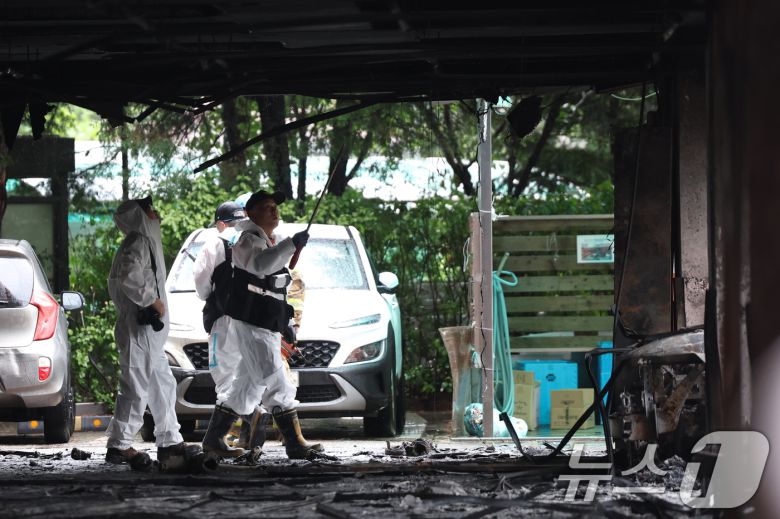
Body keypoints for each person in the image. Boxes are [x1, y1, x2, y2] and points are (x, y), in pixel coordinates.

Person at [211, 189, 321, 460]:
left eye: (275, 206)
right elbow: (262, 266)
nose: (274, 210)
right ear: (251, 213)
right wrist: (291, 245)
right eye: (267, 206)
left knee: (245, 388)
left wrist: (285, 321)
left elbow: (275, 281)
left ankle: (213, 439)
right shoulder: (248, 240)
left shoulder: (267, 240)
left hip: (266, 321)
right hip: (253, 322)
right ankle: (294, 442)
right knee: (277, 379)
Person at [105, 196, 197, 468]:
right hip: (139, 328)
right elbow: (129, 276)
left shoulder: (142, 242)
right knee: (135, 387)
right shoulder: (139, 242)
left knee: (162, 385)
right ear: (141, 216)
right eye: (151, 210)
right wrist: (151, 301)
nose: (156, 214)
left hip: (147, 332)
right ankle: (120, 445)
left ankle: (169, 440)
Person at [192, 201, 257, 457]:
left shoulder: (215, 243)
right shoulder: (255, 240)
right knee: (248, 375)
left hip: (224, 320)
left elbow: (202, 287)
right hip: (253, 321)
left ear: (220, 223)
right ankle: (251, 433)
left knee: (225, 376)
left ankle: (220, 439)